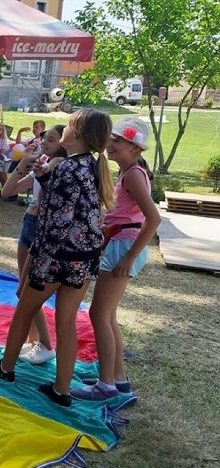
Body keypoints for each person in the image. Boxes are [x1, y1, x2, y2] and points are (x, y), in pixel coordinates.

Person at [0, 109, 115, 407]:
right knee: (66, 321)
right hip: (84, 259)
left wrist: (38, 263)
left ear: (76, 134)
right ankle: (61, 389)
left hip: (59, 257)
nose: (62, 131)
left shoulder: (68, 169)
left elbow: (58, 222)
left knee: (25, 309)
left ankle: (6, 368)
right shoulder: (88, 167)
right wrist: (46, 175)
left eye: (67, 126)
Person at [73, 117, 160, 401]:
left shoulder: (134, 174)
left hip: (122, 247)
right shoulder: (129, 173)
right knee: (107, 314)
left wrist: (130, 257)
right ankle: (116, 377)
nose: (110, 145)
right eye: (111, 139)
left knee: (99, 314)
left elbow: (153, 218)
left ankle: (106, 384)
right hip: (117, 244)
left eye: (118, 141)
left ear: (135, 148)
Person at [0, 125, 67, 365]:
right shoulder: (44, 164)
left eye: (50, 139)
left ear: (64, 142)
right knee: (23, 286)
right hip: (29, 222)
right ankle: (32, 341)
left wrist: (40, 166)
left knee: (25, 291)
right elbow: (8, 191)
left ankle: (46, 344)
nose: (44, 143)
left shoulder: (59, 165)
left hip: (43, 227)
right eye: (43, 138)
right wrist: (24, 163)